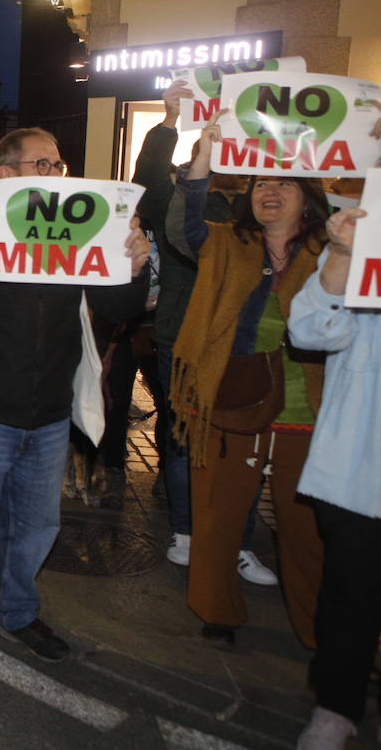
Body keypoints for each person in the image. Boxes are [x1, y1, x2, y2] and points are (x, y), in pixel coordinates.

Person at [0, 127, 150, 667]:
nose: (54, 175)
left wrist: (135, 266)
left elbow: (119, 308)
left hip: (48, 415)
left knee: (36, 526)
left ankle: (19, 613)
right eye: (42, 165)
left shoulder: (75, 230)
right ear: (6, 174)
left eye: (57, 165)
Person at [169, 112, 327, 648]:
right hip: (230, 398)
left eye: (284, 181)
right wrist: (205, 155)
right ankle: (217, 609)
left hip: (308, 410)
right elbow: (186, 226)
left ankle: (319, 629)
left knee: (306, 531)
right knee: (217, 516)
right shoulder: (228, 242)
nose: (270, 191)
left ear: (308, 194)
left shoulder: (333, 250)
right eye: (262, 182)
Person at [134, 81, 271, 577]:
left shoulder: (259, 204)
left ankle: (237, 540)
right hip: (184, 335)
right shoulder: (180, 199)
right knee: (182, 435)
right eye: (212, 153)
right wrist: (170, 121)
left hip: (245, 342)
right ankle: (186, 529)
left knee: (241, 440)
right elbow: (148, 174)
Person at [286, 206, 381, 750]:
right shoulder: (357, 248)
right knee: (352, 594)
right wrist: (343, 252)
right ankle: (337, 707)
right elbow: (312, 330)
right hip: (361, 469)